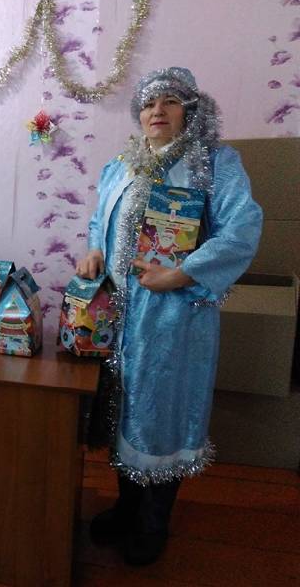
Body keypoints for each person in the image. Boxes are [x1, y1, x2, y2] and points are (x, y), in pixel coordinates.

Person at [76, 67, 262, 565]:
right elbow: (98, 220)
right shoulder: (121, 164)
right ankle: (126, 507)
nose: (157, 111)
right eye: (148, 103)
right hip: (118, 314)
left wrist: (182, 273)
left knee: (163, 413)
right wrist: (94, 250)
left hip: (174, 317)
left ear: (191, 111)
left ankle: (153, 522)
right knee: (124, 409)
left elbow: (241, 229)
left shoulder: (214, 163)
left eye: (170, 101)